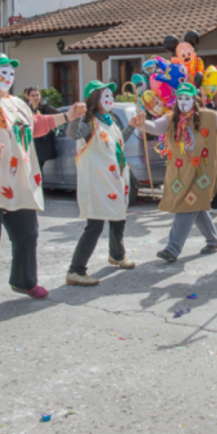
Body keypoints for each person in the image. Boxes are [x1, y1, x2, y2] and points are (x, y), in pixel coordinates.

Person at [0, 53, 85, 325]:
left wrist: (67, 116)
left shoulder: (17, 104)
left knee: (27, 235)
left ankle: (24, 281)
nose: (7, 76)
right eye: (2, 71)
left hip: (18, 184)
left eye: (11, 72)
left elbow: (36, 126)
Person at [138, 82, 217, 262]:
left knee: (187, 205)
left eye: (187, 98)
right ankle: (213, 240)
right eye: (180, 98)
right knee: (195, 207)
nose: (183, 102)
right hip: (180, 173)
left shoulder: (208, 115)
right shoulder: (172, 118)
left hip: (202, 174)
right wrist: (142, 123)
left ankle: (172, 248)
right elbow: (156, 127)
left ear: (194, 100)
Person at [65, 81, 136, 286]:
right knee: (95, 226)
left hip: (113, 180)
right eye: (106, 96)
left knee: (118, 218)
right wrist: (77, 115)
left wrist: (131, 126)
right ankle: (76, 270)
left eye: (111, 96)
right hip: (97, 182)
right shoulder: (88, 123)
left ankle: (117, 255)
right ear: (95, 99)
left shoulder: (110, 120)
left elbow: (118, 142)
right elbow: (72, 134)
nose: (110, 99)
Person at [25, 87, 60, 174]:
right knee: (31, 168)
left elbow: (60, 117)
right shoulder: (27, 110)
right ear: (28, 97)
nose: (36, 97)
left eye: (37, 95)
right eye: (33, 95)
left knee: (38, 168)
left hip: (43, 142)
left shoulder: (45, 108)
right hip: (32, 141)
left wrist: (50, 126)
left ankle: (39, 187)